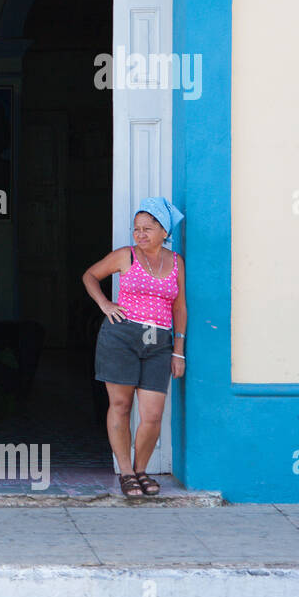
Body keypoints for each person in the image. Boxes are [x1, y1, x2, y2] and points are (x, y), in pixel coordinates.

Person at [81, 197, 186, 497]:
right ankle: (126, 472)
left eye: (147, 229)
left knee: (152, 413)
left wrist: (178, 350)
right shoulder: (125, 256)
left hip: (159, 342)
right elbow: (90, 275)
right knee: (121, 405)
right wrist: (104, 304)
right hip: (121, 338)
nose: (140, 235)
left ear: (164, 231)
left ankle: (141, 469)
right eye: (136, 229)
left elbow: (180, 309)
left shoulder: (176, 262)